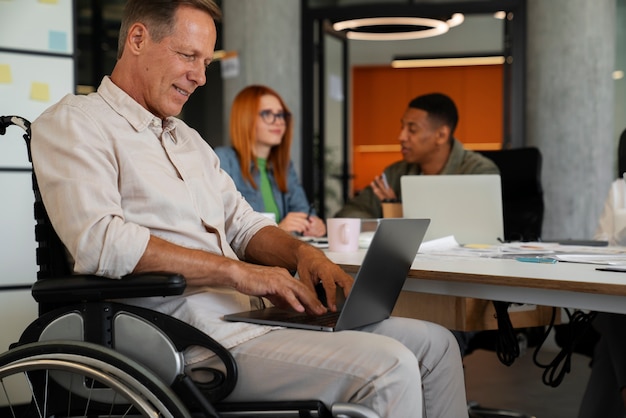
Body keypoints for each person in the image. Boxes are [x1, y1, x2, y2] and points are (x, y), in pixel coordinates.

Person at [30, 1, 468, 416]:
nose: (200, 76)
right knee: (391, 365)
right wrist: (240, 272)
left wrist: (303, 256)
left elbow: (244, 224)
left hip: (248, 318)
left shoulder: (188, 140)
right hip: (180, 334)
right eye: (188, 56)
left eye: (207, 61)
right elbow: (102, 242)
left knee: (437, 345)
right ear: (139, 39)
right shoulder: (75, 123)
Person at [335, 92, 499, 219]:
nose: (401, 137)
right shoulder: (396, 173)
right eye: (402, 128)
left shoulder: (478, 171)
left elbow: (476, 229)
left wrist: (396, 212)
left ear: (441, 135)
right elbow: (349, 213)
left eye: (412, 129)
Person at [215, 85, 325, 237]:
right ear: (245, 119)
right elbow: (221, 228)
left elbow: (304, 212)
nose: (278, 121)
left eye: (281, 115)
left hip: (281, 257)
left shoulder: (284, 166)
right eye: (267, 114)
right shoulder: (223, 160)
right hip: (244, 260)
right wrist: (278, 230)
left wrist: (314, 225)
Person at [578, 128, 626, 418]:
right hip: (617, 286)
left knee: (614, 328)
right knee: (614, 305)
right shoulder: (620, 189)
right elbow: (601, 244)